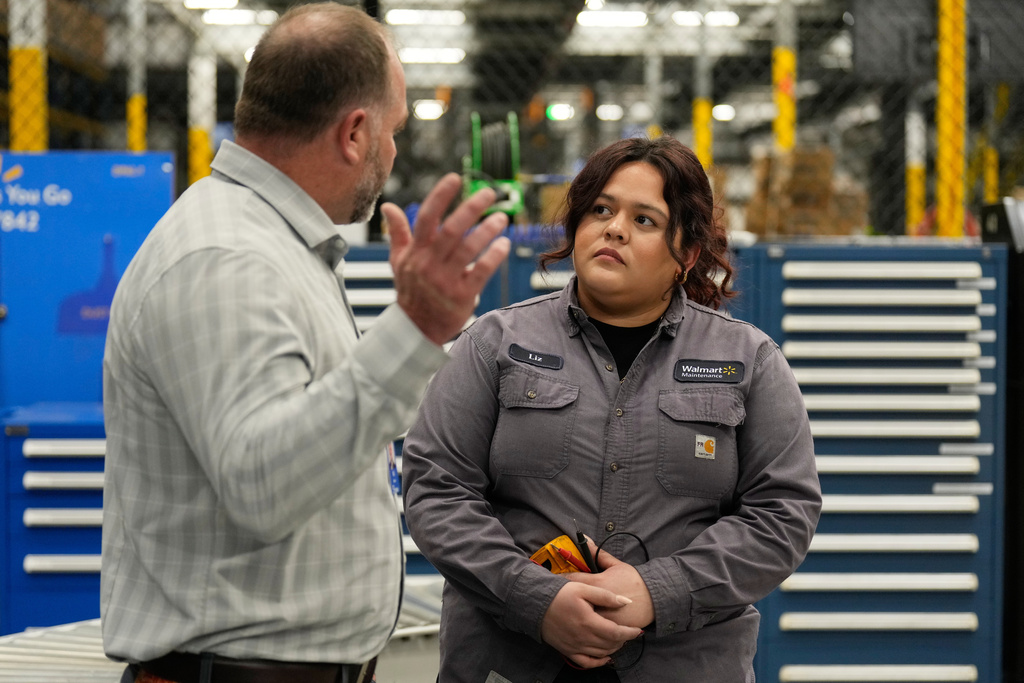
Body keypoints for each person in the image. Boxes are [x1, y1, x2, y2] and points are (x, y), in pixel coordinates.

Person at [100, 4, 510, 683]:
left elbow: (314, 424)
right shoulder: (224, 257)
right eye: (395, 131)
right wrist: (414, 329)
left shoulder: (278, 245)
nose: (395, 152)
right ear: (354, 132)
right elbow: (264, 483)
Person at [402, 135, 822, 682]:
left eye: (645, 220)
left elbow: (782, 513)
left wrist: (658, 590)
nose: (615, 228)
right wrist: (533, 598)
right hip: (511, 661)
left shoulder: (749, 362)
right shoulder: (494, 343)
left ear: (686, 255)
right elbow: (437, 486)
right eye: (601, 209)